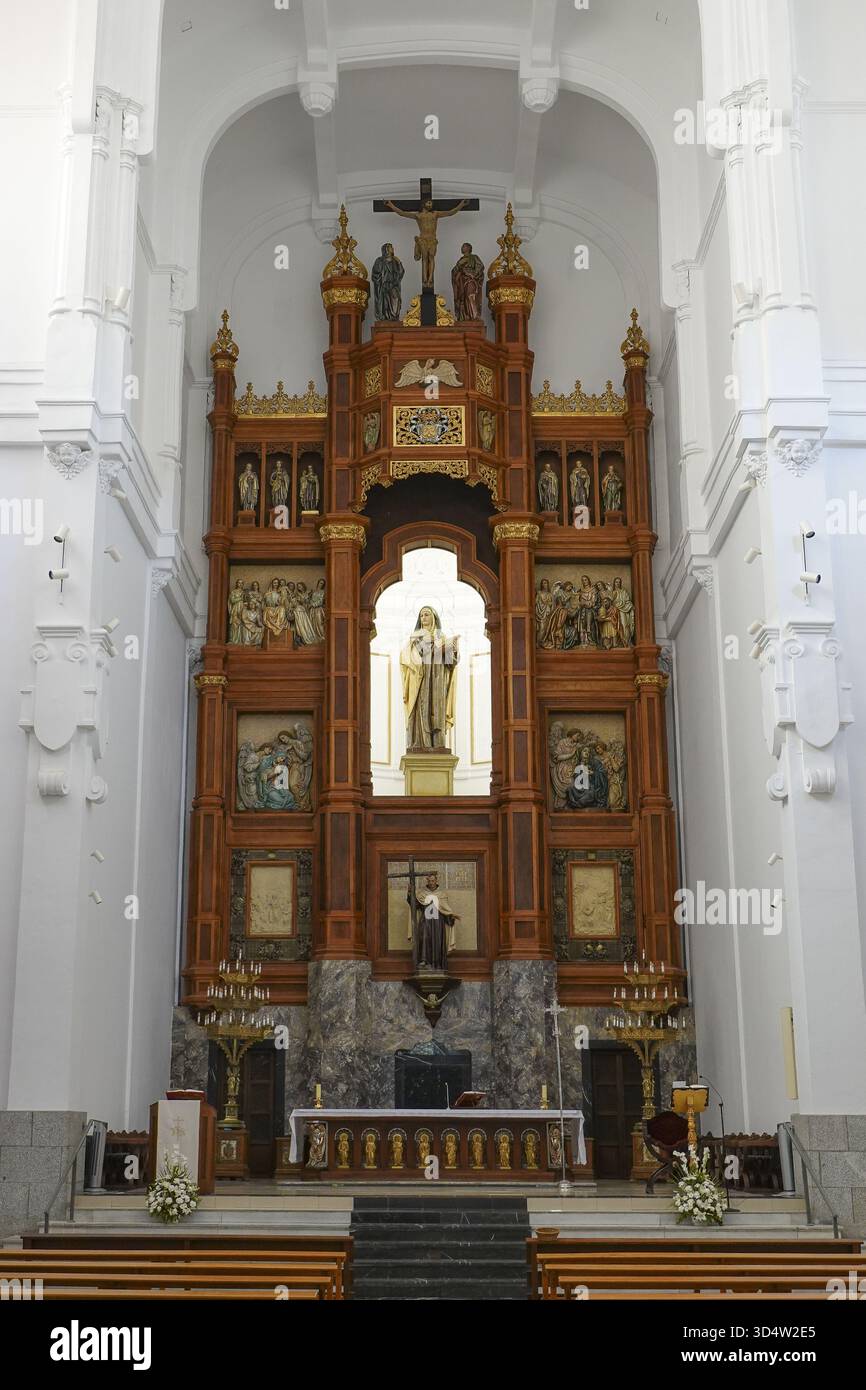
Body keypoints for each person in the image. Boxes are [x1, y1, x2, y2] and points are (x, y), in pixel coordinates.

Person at [400, 606, 459, 752]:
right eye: (421, 615)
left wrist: (454, 649)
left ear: (434, 617)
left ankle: (438, 743)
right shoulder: (416, 636)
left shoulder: (441, 636)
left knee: (437, 708)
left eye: (426, 615)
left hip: (438, 679)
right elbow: (415, 654)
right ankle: (421, 743)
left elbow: (450, 663)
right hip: (422, 678)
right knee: (422, 708)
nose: (424, 618)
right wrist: (435, 647)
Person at [407, 870, 460, 972]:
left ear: (436, 881)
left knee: (438, 941)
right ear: (427, 881)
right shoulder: (422, 894)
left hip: (438, 923)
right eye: (430, 881)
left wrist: (450, 917)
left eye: (433, 881)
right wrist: (410, 893)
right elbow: (414, 905)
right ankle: (424, 961)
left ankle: (438, 964)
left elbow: (445, 909)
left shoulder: (442, 894)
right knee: (424, 939)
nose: (431, 883)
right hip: (425, 922)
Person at [451, 242, 484, 320]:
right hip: (461, 280)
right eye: (462, 246)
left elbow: (480, 266)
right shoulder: (461, 260)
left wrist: (472, 274)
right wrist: (459, 267)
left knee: (470, 295)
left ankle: (474, 315)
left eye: (464, 246)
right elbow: (454, 271)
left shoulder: (474, 257)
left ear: (469, 248)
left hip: (470, 280)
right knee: (463, 297)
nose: (462, 248)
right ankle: (465, 316)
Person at [371, 242, 404, 320]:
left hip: (394, 285)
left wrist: (399, 263)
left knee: (396, 298)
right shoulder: (379, 261)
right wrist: (382, 282)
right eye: (391, 248)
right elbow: (375, 274)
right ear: (386, 250)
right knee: (384, 303)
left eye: (392, 248)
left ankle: (394, 316)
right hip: (383, 287)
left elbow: (401, 273)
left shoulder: (395, 261)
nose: (392, 249)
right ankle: (385, 317)